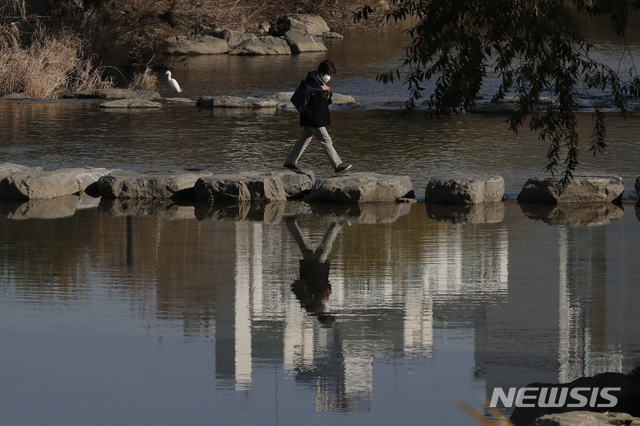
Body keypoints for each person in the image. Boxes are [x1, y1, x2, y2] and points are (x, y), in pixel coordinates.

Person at [284, 60, 352, 174]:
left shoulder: (319, 81)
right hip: (312, 117)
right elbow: (310, 92)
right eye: (328, 74)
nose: (328, 77)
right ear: (322, 71)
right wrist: (322, 89)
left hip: (313, 117)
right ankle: (337, 165)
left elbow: (321, 98)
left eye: (330, 75)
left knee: (304, 139)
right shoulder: (312, 79)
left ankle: (290, 162)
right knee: (326, 140)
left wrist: (327, 95)